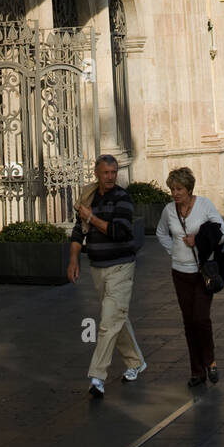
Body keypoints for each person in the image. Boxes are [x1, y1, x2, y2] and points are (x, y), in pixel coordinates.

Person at [68, 154, 144, 397]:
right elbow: (79, 231)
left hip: (121, 267)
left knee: (108, 323)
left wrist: (91, 217)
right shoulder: (89, 197)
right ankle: (135, 363)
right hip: (97, 268)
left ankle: (97, 377)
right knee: (117, 318)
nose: (111, 177)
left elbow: (119, 231)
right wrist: (73, 261)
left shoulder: (123, 198)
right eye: (106, 173)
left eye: (114, 172)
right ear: (96, 174)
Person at [156, 167, 224, 388]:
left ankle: (210, 361)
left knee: (201, 318)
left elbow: (223, 233)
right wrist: (174, 250)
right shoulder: (169, 210)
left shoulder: (205, 205)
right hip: (180, 273)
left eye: (179, 189)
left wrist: (197, 241)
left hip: (202, 272)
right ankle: (196, 371)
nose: (175, 193)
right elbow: (161, 233)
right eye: (172, 189)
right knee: (189, 322)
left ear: (189, 188)